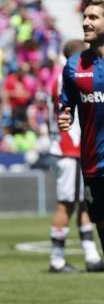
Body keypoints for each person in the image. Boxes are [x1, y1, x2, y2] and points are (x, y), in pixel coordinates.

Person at [48, 39, 104, 273]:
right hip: (69, 148)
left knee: (84, 204)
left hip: (77, 149)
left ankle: (91, 256)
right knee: (67, 203)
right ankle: (57, 258)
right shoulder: (67, 74)